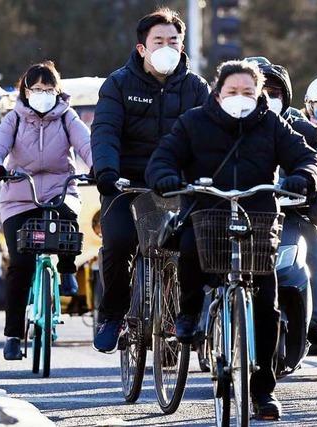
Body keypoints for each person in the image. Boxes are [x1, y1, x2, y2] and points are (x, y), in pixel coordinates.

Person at [145, 60, 317, 419]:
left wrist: (304, 176)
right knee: (191, 248)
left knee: (266, 302)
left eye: (248, 92)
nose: (240, 98)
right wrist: (165, 176)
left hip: (258, 214)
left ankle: (263, 392)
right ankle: (189, 312)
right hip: (206, 209)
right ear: (218, 92)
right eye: (232, 91)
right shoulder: (193, 122)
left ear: (259, 95)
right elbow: (163, 158)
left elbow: (308, 158)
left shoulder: (273, 124)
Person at [91, 7, 210, 353]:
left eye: (174, 41)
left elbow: (208, 137)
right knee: (119, 241)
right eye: (159, 40)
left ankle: (187, 314)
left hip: (176, 182)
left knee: (195, 241)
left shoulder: (196, 87)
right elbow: (105, 132)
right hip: (125, 181)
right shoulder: (118, 84)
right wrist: (107, 171)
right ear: (142, 48)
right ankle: (112, 313)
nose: (167, 47)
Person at [0, 61, 93, 360]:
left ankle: (68, 269)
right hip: (19, 195)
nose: (43, 94)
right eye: (37, 89)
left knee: (69, 218)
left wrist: (98, 167)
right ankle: (13, 336)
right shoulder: (14, 119)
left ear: (57, 92)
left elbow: (86, 144)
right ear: (26, 91)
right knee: (20, 265)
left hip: (60, 189)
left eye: (49, 89)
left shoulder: (67, 117)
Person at [246, 56, 317, 345]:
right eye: (259, 90)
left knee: (314, 245)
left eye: (275, 93)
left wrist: (306, 181)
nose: (267, 98)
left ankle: (312, 316)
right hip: (237, 212)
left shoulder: (300, 129)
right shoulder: (222, 124)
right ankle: (204, 321)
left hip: (290, 213)